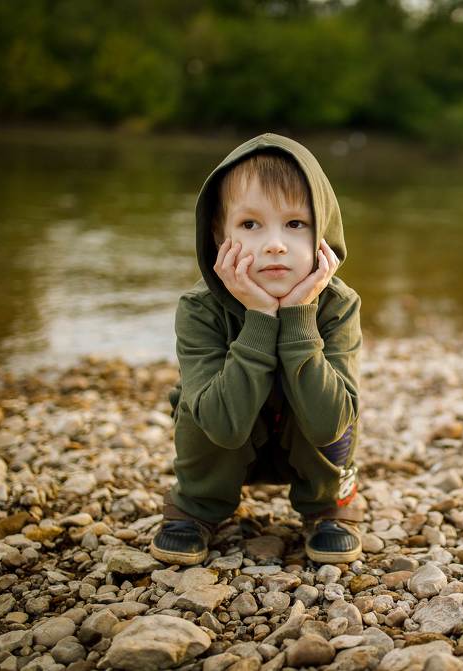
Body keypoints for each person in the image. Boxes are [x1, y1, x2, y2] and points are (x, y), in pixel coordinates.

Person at [149, 133, 364, 566]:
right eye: (250, 225)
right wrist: (261, 317)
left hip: (306, 439)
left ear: (323, 232)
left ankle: (328, 508)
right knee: (199, 403)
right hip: (225, 441)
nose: (275, 244)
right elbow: (222, 426)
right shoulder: (199, 309)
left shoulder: (338, 305)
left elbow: (329, 424)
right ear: (218, 235)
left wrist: (299, 314)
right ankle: (197, 507)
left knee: (336, 400)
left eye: (295, 224)